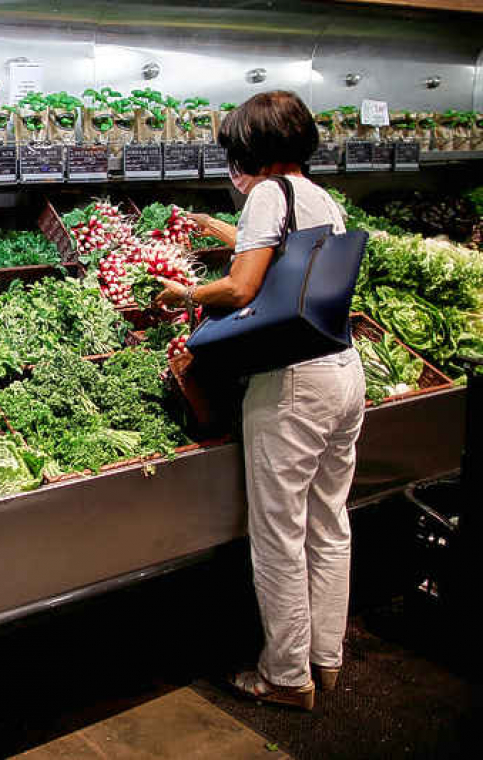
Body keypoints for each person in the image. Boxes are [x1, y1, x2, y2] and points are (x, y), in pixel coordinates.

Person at [154, 90, 365, 711]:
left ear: (253, 149)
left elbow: (245, 283)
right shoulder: (317, 195)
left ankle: (284, 676)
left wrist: (184, 291)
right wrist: (221, 228)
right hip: (342, 370)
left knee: (278, 533)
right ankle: (326, 659)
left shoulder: (268, 194)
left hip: (293, 383)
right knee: (330, 522)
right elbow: (286, 258)